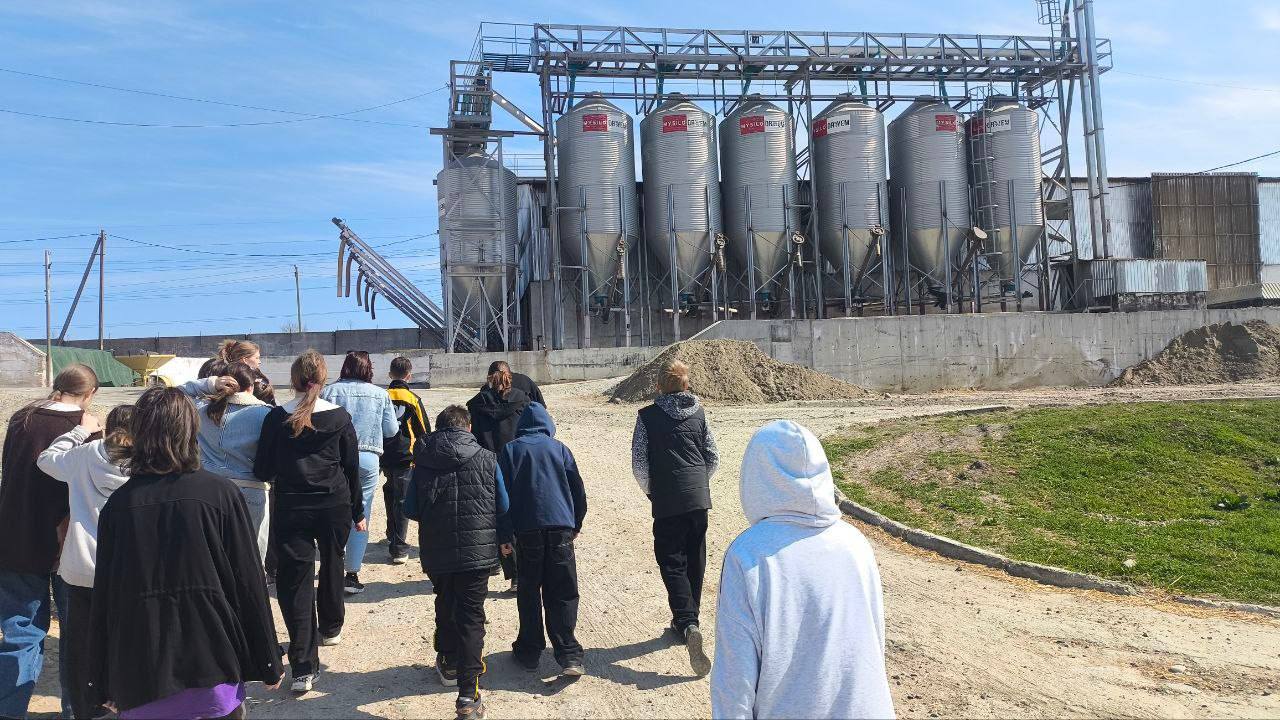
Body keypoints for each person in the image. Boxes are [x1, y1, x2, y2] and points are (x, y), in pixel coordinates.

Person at [89, 387, 283, 719]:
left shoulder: (119, 505)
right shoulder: (220, 494)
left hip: (142, 666)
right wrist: (268, 659)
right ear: (191, 430)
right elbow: (248, 583)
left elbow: (106, 596)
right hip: (213, 657)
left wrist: (100, 678)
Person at [710, 420, 895, 720]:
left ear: (755, 478)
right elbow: (875, 640)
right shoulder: (857, 543)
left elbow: (734, 682)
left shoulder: (749, 555)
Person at [255, 350, 364, 694]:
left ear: (293, 378)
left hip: (292, 506)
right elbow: (351, 467)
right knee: (333, 562)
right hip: (334, 503)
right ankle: (331, 627)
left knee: (295, 582)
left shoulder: (276, 418)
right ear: (323, 378)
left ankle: (303, 666)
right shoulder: (340, 417)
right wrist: (358, 510)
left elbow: (263, 468)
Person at [0, 363, 98, 719]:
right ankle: (75, 711)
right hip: (66, 543)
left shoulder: (21, 419)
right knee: (76, 635)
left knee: (20, 631)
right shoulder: (84, 427)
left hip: (16, 537)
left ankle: (9, 711)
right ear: (90, 394)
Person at [404, 405, 507, 720]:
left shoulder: (423, 461)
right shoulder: (488, 458)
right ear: (469, 427)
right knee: (471, 617)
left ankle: (448, 660)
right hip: (477, 552)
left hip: (438, 549)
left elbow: (410, 509)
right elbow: (503, 504)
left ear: (438, 429)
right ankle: (467, 695)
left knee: (445, 602)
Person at [35, 405, 132, 720]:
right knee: (125, 641)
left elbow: (46, 460)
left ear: (107, 428)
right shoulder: (147, 462)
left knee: (79, 646)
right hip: (125, 569)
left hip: (79, 567)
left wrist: (79, 431)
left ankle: (82, 708)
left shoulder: (85, 455)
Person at [630, 359, 719, 677]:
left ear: (658, 386)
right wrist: (698, 483)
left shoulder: (647, 417)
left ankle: (687, 621)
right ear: (686, 385)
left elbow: (640, 463)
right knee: (695, 556)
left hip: (667, 498)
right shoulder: (699, 413)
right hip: (698, 498)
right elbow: (713, 456)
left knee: (671, 560)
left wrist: (652, 491)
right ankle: (687, 621)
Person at [499, 403, 587, 677]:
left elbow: (501, 496)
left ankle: (529, 650)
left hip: (527, 529)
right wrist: (576, 522)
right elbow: (577, 489)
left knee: (528, 590)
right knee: (563, 588)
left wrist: (504, 534)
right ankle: (569, 653)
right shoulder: (560, 448)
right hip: (560, 526)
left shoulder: (510, 450)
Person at [177, 361, 273, 563]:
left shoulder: (202, 410)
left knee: (212, 559)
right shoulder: (266, 414)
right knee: (252, 560)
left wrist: (210, 384)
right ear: (251, 386)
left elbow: (175, 394)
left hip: (208, 488)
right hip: (251, 489)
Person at [321, 350, 397, 594]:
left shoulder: (329, 392)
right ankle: (352, 574)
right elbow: (391, 430)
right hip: (367, 456)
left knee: (331, 510)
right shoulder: (380, 394)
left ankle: (331, 564)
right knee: (361, 513)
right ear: (368, 369)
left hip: (333, 458)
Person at [467, 362, 530, 591]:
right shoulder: (522, 400)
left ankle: (493, 561)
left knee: (489, 515)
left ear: (488, 377)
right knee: (516, 515)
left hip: (486, 464)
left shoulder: (475, 403)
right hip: (515, 462)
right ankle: (517, 575)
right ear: (509, 376)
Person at [382, 356, 430, 565]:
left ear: (390, 374)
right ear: (409, 376)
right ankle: (399, 548)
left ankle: (391, 534)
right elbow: (424, 431)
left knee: (390, 491)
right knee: (401, 498)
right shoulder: (413, 399)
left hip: (384, 454)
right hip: (405, 455)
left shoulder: (382, 396)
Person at [217, 339, 276, 405]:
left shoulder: (226, 373)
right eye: (257, 358)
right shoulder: (253, 381)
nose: (260, 361)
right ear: (245, 360)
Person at [479, 362, 545, 408]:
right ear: (509, 373)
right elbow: (541, 406)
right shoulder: (524, 380)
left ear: (490, 377)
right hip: (522, 421)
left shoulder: (484, 391)